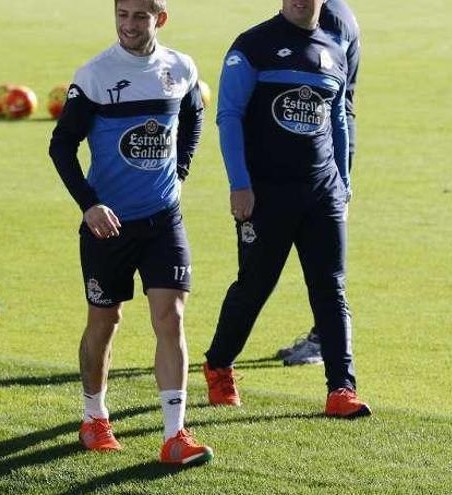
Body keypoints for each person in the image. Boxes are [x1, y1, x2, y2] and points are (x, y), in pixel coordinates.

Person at [49, 0, 213, 465]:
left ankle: (175, 433)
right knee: (105, 321)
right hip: (109, 227)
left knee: (171, 317)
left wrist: (180, 172)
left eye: (139, 16)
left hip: (164, 220)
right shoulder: (96, 75)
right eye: (122, 14)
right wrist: (89, 205)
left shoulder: (180, 68)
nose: (128, 24)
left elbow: (193, 116)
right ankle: (94, 416)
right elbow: (61, 146)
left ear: (159, 19)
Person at [201, 0, 371, 419]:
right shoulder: (252, 46)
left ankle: (341, 389)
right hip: (265, 195)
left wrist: (343, 185)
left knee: (331, 288)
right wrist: (240, 185)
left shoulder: (333, 49)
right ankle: (219, 365)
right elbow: (229, 117)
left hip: (322, 193)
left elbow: (338, 120)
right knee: (255, 286)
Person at [277, 0, 362, 367]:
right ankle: (322, 334)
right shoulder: (331, 11)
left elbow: (329, 89)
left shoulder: (331, 19)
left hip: (326, 146)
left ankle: (326, 339)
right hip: (323, 143)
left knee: (324, 258)